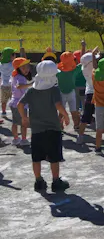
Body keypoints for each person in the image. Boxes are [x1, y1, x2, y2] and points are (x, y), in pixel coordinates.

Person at [17, 61, 70, 192]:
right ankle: (56, 181)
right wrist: (66, 115)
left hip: (36, 129)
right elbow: (58, 105)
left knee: (36, 158)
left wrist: (24, 117)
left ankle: (39, 181)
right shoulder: (54, 89)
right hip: (53, 128)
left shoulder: (32, 91)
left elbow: (20, 104)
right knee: (54, 158)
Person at [9, 57, 33, 146]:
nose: (26, 69)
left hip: (14, 102)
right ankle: (23, 139)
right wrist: (31, 85)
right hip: (20, 104)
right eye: (23, 68)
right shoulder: (21, 77)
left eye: (27, 67)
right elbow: (19, 86)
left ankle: (16, 139)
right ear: (18, 69)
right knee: (24, 122)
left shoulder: (15, 75)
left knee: (15, 122)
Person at [56, 51, 81, 130]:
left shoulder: (58, 71)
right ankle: (76, 125)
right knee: (74, 111)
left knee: (61, 112)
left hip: (61, 93)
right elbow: (82, 63)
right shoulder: (75, 70)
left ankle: (59, 127)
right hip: (71, 92)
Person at [77, 50, 97, 144]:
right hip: (97, 94)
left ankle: (80, 136)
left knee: (85, 116)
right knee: (103, 116)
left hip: (89, 93)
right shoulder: (94, 70)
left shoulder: (84, 68)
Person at [1, 47, 18, 117]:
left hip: (3, 85)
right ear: (11, 56)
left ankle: (4, 112)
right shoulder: (13, 65)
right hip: (12, 85)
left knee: (3, 100)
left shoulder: (1, 65)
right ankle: (15, 112)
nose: (15, 56)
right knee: (13, 99)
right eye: (14, 54)